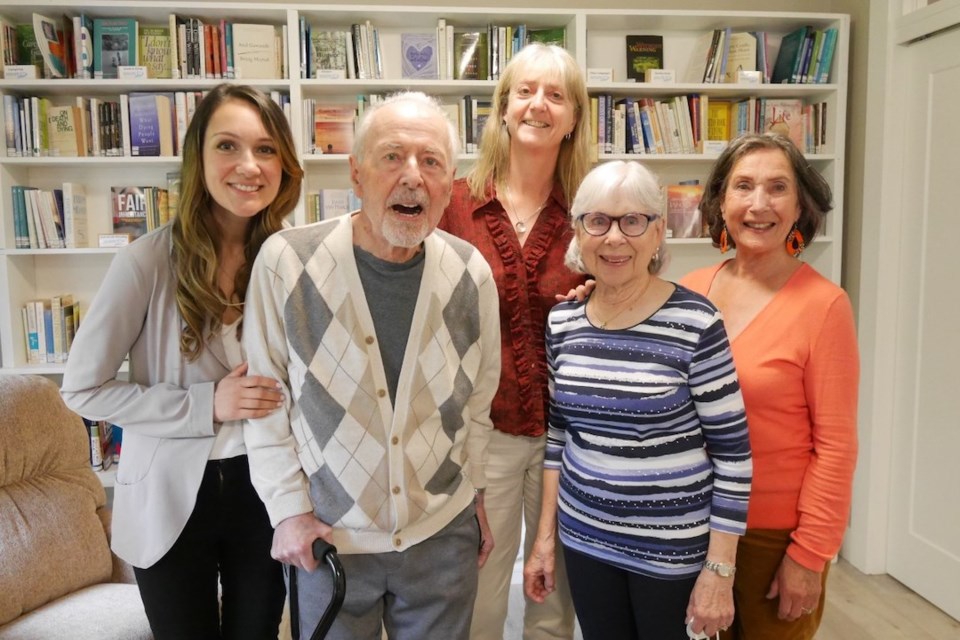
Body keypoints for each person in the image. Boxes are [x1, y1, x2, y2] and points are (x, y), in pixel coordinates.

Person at [242, 91, 502, 640]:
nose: (413, 176)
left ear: (449, 181)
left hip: (440, 537)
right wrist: (287, 511)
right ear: (355, 173)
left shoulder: (469, 271)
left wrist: (474, 495)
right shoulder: (287, 263)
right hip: (329, 542)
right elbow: (266, 402)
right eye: (392, 157)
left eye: (430, 161)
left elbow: (479, 401)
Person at [61, 83, 304, 639]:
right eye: (228, 146)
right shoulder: (146, 262)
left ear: (285, 164)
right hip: (169, 503)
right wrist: (206, 404)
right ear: (198, 156)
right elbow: (82, 389)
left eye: (266, 149)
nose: (249, 165)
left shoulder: (293, 263)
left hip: (265, 492)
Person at [523, 160, 753, 640]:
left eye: (632, 221)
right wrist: (544, 540)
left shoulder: (696, 323)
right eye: (598, 220)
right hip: (585, 542)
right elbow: (559, 439)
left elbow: (733, 457)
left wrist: (719, 571)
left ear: (657, 233)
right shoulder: (563, 322)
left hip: (671, 554)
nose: (614, 237)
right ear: (578, 231)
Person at [438, 42, 591, 640]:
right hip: (486, 434)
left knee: (555, 596)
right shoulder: (453, 204)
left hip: (572, 437)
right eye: (525, 91)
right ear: (502, 108)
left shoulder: (591, 210)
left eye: (556, 95)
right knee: (480, 593)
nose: (539, 105)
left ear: (574, 117)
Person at [680, 132, 859, 640]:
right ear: (719, 201)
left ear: (800, 204)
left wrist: (810, 554)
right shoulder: (688, 291)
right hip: (690, 527)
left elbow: (837, 445)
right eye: (743, 186)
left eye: (777, 188)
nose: (759, 205)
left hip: (771, 540)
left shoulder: (824, 306)